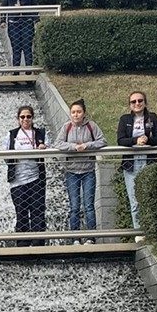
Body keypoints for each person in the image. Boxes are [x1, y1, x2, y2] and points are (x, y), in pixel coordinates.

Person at [53, 98, 106, 243]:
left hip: (88, 170)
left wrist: (87, 145)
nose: (76, 115)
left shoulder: (91, 126)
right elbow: (57, 143)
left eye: (78, 112)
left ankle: (91, 238)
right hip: (71, 171)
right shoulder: (66, 127)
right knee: (74, 206)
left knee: (89, 205)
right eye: (73, 112)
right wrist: (73, 147)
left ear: (84, 113)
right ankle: (75, 238)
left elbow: (102, 141)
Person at [116, 91, 157, 232]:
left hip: (149, 160)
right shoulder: (124, 119)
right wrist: (135, 140)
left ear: (145, 102)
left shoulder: (152, 118)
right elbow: (120, 140)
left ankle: (152, 230)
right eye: (133, 102)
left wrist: (148, 140)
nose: (137, 103)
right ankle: (139, 231)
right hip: (131, 163)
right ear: (129, 105)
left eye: (140, 100)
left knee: (151, 197)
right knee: (134, 200)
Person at [5, 105, 47, 246]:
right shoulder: (12, 134)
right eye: (22, 117)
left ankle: (39, 244)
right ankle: (22, 244)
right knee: (21, 212)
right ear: (18, 119)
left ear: (32, 118)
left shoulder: (40, 133)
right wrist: (13, 157)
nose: (25, 119)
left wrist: (43, 148)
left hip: (36, 178)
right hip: (17, 180)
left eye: (28, 116)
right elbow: (5, 155)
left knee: (37, 211)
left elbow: (50, 148)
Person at [1, 0, 38, 66]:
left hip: (27, 22)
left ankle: (29, 72)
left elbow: (34, 5)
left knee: (27, 47)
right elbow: (4, 6)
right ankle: (16, 72)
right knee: (16, 48)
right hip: (13, 23)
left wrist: (37, 20)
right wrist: (3, 20)